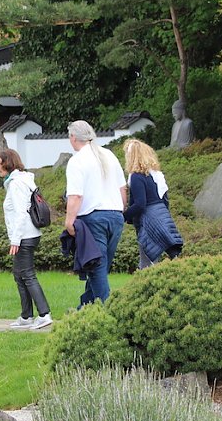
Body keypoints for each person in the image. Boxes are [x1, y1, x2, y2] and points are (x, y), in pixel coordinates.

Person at [64, 120, 126, 306]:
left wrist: (69, 222)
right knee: (98, 265)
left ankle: (108, 308)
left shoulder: (77, 161)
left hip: (93, 218)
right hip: (115, 215)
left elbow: (75, 196)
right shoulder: (109, 155)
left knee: (96, 267)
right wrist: (120, 210)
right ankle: (85, 307)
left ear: (73, 137)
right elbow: (123, 189)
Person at [0, 149, 52, 330]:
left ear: (8, 163)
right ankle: (26, 316)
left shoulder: (17, 184)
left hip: (24, 236)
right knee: (19, 275)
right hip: (28, 234)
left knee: (26, 275)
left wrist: (15, 240)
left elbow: (20, 214)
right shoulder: (20, 180)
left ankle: (44, 314)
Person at [123, 139, 183, 268]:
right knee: (171, 255)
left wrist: (124, 216)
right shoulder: (156, 176)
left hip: (148, 220)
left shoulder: (136, 176)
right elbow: (165, 199)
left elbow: (140, 204)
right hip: (163, 217)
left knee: (147, 263)